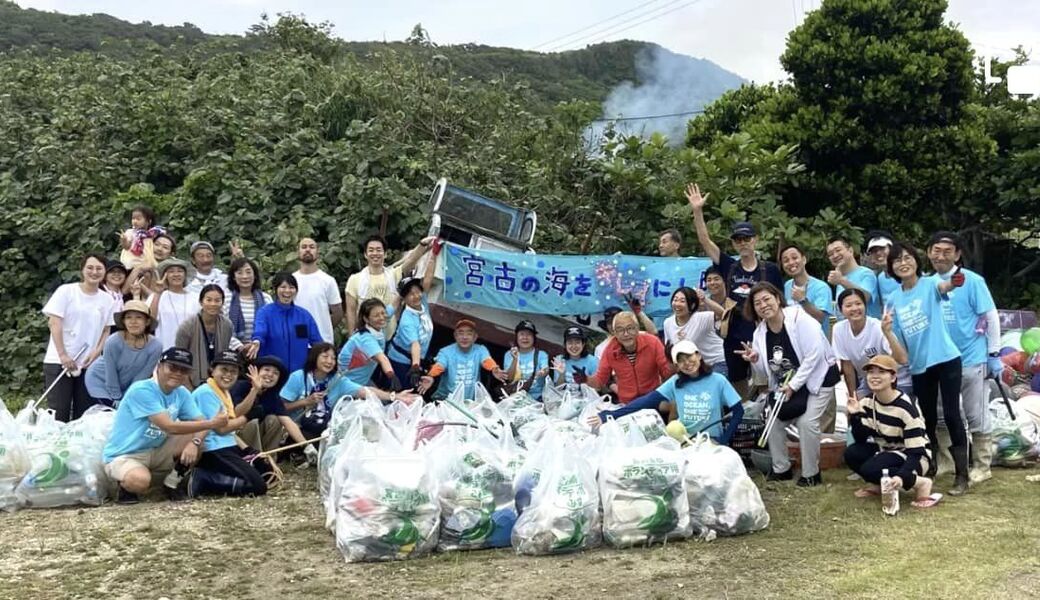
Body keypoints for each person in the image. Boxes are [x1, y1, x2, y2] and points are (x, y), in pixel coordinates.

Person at [885, 241, 970, 495]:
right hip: (920, 366)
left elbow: (944, 286)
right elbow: (901, 357)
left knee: (953, 415)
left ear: (916, 261)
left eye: (907, 257)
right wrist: (887, 333)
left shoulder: (930, 284)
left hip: (946, 358)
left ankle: (962, 475)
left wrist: (954, 281)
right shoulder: (894, 299)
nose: (903, 262)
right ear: (891, 267)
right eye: (897, 260)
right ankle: (930, 465)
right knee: (928, 418)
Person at [738, 282, 840, 487]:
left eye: (767, 299)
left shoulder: (799, 318)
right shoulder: (760, 333)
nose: (763, 305)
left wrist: (794, 385)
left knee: (807, 422)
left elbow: (815, 355)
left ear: (777, 298)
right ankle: (781, 469)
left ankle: (811, 474)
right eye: (757, 303)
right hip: (787, 384)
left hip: (819, 379)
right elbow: (766, 373)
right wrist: (755, 359)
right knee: (773, 421)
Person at [687, 182, 782, 398]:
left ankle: (768, 417)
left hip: (764, 332)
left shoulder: (771, 270)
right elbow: (705, 240)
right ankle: (744, 417)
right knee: (737, 381)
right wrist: (697, 211)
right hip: (734, 334)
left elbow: (780, 303)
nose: (743, 243)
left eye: (746, 238)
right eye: (738, 240)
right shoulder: (730, 266)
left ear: (755, 240)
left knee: (768, 379)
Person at [102, 348, 229, 504]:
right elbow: (169, 426)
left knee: (198, 438)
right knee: (140, 481)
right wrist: (212, 423)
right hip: (127, 452)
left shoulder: (182, 392)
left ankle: (172, 484)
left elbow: (200, 423)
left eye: (183, 370)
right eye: (172, 367)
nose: (177, 373)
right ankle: (124, 488)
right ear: (159, 366)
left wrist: (194, 443)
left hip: (157, 448)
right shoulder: (142, 389)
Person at [927, 231, 1002, 485]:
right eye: (936, 250)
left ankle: (982, 465)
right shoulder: (927, 283)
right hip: (940, 360)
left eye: (947, 251)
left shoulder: (972, 281)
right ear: (928, 254)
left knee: (975, 413)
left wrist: (994, 354)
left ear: (958, 254)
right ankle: (948, 462)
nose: (941, 256)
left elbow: (990, 317)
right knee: (942, 414)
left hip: (971, 357)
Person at [590, 341, 744, 444]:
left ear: (698, 355)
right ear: (676, 365)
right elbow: (645, 402)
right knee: (672, 428)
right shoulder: (675, 382)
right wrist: (609, 415)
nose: (687, 363)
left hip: (711, 439)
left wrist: (725, 439)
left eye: (689, 356)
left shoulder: (717, 380)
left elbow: (738, 411)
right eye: (681, 360)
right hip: (686, 439)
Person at [844, 355, 941, 509]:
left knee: (871, 468)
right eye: (871, 372)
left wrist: (902, 477)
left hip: (916, 455)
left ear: (893, 377)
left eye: (881, 372)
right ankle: (878, 484)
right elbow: (861, 438)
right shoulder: (867, 402)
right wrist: (855, 415)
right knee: (852, 453)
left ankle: (921, 483)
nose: (874, 376)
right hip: (887, 450)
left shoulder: (906, 408)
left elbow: (916, 451)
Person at [42, 253, 116, 422]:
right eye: (90, 267)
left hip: (88, 364)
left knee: (84, 413)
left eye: (99, 268)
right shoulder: (67, 291)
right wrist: (63, 355)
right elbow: (54, 323)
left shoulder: (107, 299)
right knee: (58, 411)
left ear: (104, 272)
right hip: (59, 361)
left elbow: (106, 330)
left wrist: (96, 353)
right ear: (82, 270)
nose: (94, 272)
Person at [187, 351, 268, 498]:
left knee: (265, 471)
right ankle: (203, 479)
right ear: (212, 369)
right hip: (213, 449)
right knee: (258, 486)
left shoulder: (222, 390)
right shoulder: (206, 392)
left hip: (227, 445)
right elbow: (221, 429)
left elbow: (235, 414)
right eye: (224, 369)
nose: (228, 375)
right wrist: (249, 417)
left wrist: (255, 390)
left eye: (233, 371)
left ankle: (213, 476)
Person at [343, 234, 437, 336]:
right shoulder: (355, 279)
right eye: (371, 250)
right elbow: (351, 311)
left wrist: (422, 244)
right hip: (365, 337)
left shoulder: (393, 275)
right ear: (365, 254)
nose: (375, 253)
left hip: (389, 337)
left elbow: (411, 260)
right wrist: (351, 335)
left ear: (385, 254)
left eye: (379, 250)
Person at [831, 289, 912, 401]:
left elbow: (902, 359)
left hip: (897, 380)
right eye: (849, 305)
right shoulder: (839, 329)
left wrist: (887, 332)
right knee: (858, 409)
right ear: (841, 310)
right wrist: (852, 397)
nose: (855, 308)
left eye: (858, 304)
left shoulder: (878, 327)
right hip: (870, 381)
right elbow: (847, 367)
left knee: (888, 409)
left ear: (865, 306)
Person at [85, 300, 163, 408]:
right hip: (100, 380)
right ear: (124, 321)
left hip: (127, 385)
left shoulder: (156, 346)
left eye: (139, 317)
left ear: (147, 321)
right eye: (128, 317)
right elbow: (110, 372)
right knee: (106, 415)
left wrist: (128, 396)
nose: (133, 321)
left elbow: (143, 376)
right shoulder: (113, 341)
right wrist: (116, 397)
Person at [585, 311, 673, 404]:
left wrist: (671, 363)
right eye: (620, 330)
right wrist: (585, 379)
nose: (626, 334)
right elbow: (600, 381)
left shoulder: (652, 342)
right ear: (615, 333)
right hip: (628, 403)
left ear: (637, 329)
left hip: (652, 397)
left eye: (630, 328)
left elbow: (666, 373)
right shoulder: (609, 351)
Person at [418, 319, 508, 400]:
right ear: (455, 336)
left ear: (475, 337)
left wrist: (493, 368)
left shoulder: (480, 349)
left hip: (470, 401)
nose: (465, 337)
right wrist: (431, 376)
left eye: (469, 333)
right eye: (461, 333)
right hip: (447, 400)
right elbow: (440, 365)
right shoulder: (446, 351)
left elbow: (486, 360)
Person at [252, 272, 324, 373]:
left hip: (299, 374)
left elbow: (317, 342)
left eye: (291, 287)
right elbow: (260, 331)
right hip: (272, 374)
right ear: (275, 290)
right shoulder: (265, 312)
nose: (287, 291)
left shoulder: (303, 315)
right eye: (283, 287)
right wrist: (257, 341)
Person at [175, 284, 242, 389]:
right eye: (209, 300)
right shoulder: (187, 326)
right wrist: (187, 384)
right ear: (201, 302)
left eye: (217, 300)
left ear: (222, 303)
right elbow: (180, 358)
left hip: (219, 381)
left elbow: (224, 354)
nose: (213, 304)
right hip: (191, 381)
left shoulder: (227, 325)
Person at [338, 298, 405, 393]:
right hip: (349, 385)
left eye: (383, 313)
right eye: (376, 315)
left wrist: (401, 293)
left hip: (363, 381)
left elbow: (392, 307)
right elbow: (382, 358)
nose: (382, 317)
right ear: (366, 319)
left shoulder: (377, 325)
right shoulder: (365, 338)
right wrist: (392, 375)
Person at [386, 271, 436, 389]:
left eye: (417, 291)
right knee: (404, 394)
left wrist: (433, 255)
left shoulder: (422, 303)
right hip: (401, 362)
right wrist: (415, 367)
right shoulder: (407, 319)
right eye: (410, 294)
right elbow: (415, 344)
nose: (416, 296)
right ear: (404, 299)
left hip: (417, 359)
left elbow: (428, 279)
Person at [230, 355, 288, 453]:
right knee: (252, 422)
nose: (270, 375)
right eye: (266, 370)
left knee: (274, 420)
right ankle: (255, 459)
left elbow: (287, 420)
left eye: (276, 373)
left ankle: (268, 457)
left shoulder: (272, 395)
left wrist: (306, 445)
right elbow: (237, 413)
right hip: (233, 433)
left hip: (257, 436)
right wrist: (255, 390)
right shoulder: (241, 386)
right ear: (256, 371)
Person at [662, 287, 726, 374]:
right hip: (694, 366)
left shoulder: (701, 318)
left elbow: (723, 314)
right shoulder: (668, 323)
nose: (677, 304)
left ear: (692, 305)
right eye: (675, 300)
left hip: (716, 362)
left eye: (682, 301)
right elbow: (670, 348)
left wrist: (705, 299)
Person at [292, 238, 344, 344]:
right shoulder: (291, 280)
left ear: (317, 252)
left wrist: (324, 327)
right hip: (296, 342)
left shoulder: (328, 280)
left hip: (323, 342)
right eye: (304, 247)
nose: (307, 250)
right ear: (298, 252)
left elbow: (338, 313)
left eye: (311, 247)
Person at [779, 244, 834, 336]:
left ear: (804, 259)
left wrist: (803, 301)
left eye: (794, 258)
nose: (791, 262)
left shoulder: (821, 287)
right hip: (794, 341)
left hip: (816, 342)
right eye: (786, 260)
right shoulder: (786, 286)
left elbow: (821, 318)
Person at [826, 236, 881, 319]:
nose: (835, 255)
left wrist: (841, 281)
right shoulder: (840, 279)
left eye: (838, 250)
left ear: (850, 250)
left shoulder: (866, 274)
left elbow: (865, 298)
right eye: (830, 254)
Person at [225, 257, 270, 354]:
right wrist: (240, 346)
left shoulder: (266, 299)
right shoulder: (226, 299)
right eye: (239, 273)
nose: (244, 276)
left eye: (248, 272)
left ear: (255, 275)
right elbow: (222, 328)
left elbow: (271, 326)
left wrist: (255, 343)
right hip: (232, 351)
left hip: (262, 349)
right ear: (233, 277)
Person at [152, 258, 198, 351]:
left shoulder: (196, 298)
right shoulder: (158, 296)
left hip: (190, 348)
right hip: (165, 347)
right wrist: (157, 294)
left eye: (180, 271)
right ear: (165, 275)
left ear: (185, 275)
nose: (176, 274)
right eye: (171, 271)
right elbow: (150, 320)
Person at [504, 320, 552, 400]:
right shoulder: (509, 354)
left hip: (536, 399)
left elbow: (546, 369)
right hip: (515, 397)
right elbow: (509, 378)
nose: (525, 338)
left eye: (529, 334)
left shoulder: (541, 354)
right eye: (522, 334)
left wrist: (543, 372)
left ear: (534, 338)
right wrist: (515, 359)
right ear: (516, 337)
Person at [118, 205, 164, 270]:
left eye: (138, 219)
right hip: (131, 264)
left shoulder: (153, 234)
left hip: (147, 264)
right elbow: (126, 247)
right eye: (133, 218)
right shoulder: (130, 232)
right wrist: (124, 240)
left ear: (149, 221)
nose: (135, 221)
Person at [863, 232, 900, 306]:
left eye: (882, 248)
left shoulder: (905, 272)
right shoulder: (880, 278)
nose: (878, 253)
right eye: (874, 251)